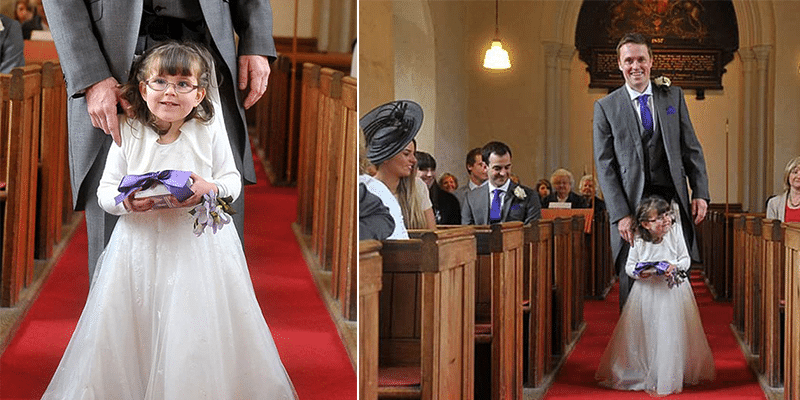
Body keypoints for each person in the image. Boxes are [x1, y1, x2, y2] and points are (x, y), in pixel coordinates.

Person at [41, 42, 296, 399]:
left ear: (200, 93)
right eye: (159, 82)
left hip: (195, 249)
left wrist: (211, 188)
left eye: (182, 84)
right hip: (137, 248)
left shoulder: (208, 129)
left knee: (190, 327)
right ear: (143, 89)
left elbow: (232, 180)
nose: (170, 93)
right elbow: (105, 192)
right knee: (134, 322)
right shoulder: (128, 131)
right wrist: (125, 203)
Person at [42, 0, 275, 282]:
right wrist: (90, 75)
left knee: (212, 237)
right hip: (112, 62)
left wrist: (256, 41)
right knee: (115, 236)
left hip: (206, 58)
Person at [593, 32, 709, 310]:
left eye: (641, 59)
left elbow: (691, 147)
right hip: (631, 206)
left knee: (676, 276)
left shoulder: (673, 96)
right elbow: (605, 165)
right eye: (629, 60)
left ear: (651, 61)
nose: (636, 66)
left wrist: (701, 193)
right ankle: (635, 351)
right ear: (619, 64)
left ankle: (671, 347)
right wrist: (620, 213)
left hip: (671, 202)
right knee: (634, 280)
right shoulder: (606, 107)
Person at [595, 196, 714, 396]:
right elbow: (629, 267)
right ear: (645, 224)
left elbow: (685, 259)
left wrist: (675, 267)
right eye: (659, 218)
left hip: (671, 292)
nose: (666, 220)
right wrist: (639, 272)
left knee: (670, 332)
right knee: (646, 332)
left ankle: (669, 374)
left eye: (667, 215)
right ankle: (644, 369)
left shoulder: (675, 232)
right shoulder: (638, 239)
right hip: (646, 293)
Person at [360, 100, 435, 238]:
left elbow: (432, 235)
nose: (414, 160)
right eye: (406, 154)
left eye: (414, 154)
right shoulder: (368, 189)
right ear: (386, 156)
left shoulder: (418, 187)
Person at [461, 141, 541, 225]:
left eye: (507, 167)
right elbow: (468, 232)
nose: (503, 173)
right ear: (485, 167)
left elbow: (532, 233)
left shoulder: (530, 197)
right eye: (497, 168)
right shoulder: (471, 198)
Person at [416, 151, 461, 225]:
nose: (429, 174)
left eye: (432, 170)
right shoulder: (402, 196)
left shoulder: (449, 200)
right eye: (424, 169)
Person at [766, 156, 800, 222]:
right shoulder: (774, 203)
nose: (798, 176)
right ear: (787, 176)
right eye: (795, 172)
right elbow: (771, 230)